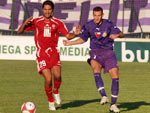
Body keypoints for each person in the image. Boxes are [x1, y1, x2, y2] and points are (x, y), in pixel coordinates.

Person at [18, 0, 80, 111]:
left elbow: (68, 36)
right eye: (45, 9)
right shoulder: (36, 21)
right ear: (42, 10)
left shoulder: (58, 23)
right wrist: (24, 23)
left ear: (52, 10)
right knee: (48, 78)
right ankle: (50, 101)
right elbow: (19, 31)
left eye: (49, 9)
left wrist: (75, 34)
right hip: (41, 54)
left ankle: (56, 91)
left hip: (53, 53)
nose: (47, 11)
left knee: (57, 76)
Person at [63, 6, 124, 113]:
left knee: (115, 76)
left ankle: (113, 105)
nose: (96, 18)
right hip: (95, 51)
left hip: (109, 53)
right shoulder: (88, 25)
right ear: (93, 15)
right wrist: (70, 43)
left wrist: (118, 34)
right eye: (95, 15)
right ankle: (104, 96)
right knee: (96, 68)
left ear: (102, 15)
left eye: (99, 15)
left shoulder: (109, 24)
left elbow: (122, 34)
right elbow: (83, 39)